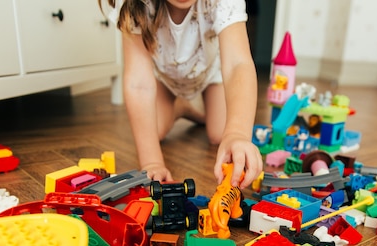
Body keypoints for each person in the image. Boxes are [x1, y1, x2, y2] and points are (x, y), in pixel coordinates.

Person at [102, 0, 263, 189]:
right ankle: (181, 107)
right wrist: (152, 163)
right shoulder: (132, 3)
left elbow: (237, 64)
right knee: (156, 130)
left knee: (220, 133)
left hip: (210, 73)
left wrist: (238, 133)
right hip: (165, 77)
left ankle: (188, 107)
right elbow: (139, 84)